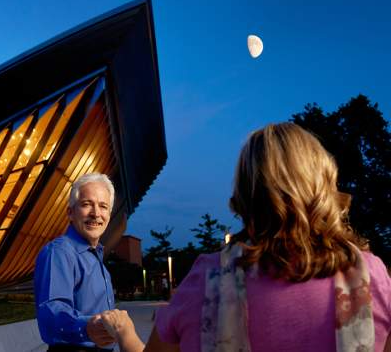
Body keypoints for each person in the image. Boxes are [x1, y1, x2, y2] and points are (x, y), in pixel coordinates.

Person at [99, 123, 391, 351]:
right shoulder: (371, 277)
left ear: (246, 194)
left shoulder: (207, 281)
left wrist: (125, 333)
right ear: (325, 186)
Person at [34, 173, 117, 351]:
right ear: (70, 212)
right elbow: (51, 312)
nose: (96, 214)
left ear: (109, 214)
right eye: (87, 204)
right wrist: (87, 327)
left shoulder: (98, 260)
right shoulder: (59, 252)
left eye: (103, 206)